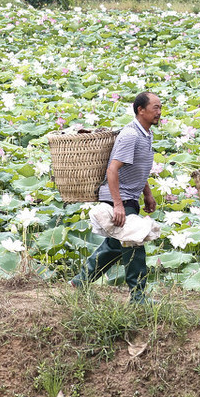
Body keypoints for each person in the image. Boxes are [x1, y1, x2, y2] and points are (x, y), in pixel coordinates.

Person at [71, 91, 161, 303]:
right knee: (133, 242)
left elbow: (138, 168)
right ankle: (138, 296)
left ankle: (80, 281)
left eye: (160, 107)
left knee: (113, 246)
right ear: (141, 110)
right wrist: (118, 204)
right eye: (155, 107)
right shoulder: (130, 135)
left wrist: (147, 194)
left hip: (130, 197)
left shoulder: (146, 134)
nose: (159, 112)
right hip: (118, 198)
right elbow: (113, 170)